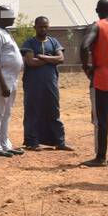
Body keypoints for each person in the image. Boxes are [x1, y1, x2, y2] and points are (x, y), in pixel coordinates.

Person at [79, 0, 108, 167]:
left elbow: (84, 46)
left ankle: (101, 157)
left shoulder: (97, 25)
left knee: (102, 119)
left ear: (97, 10)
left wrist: (86, 67)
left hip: (102, 78)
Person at [20, 16, 72, 151]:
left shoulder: (53, 41)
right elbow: (31, 62)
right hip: (33, 83)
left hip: (51, 82)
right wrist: (51, 59)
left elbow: (61, 58)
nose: (43, 29)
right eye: (40, 26)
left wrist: (43, 57)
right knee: (33, 111)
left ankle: (59, 141)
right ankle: (32, 141)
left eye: (45, 26)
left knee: (53, 110)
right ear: (35, 27)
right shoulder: (29, 43)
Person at [0, 5, 25, 157]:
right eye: (10, 15)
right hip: (1, 81)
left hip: (11, 79)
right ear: (1, 15)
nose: (13, 18)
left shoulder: (5, 32)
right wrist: (2, 83)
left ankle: (4, 144)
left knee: (6, 113)